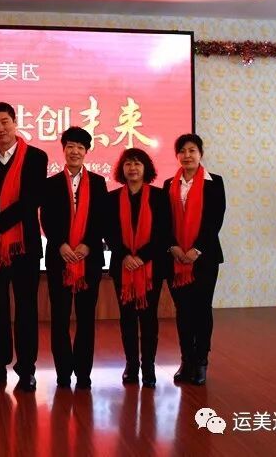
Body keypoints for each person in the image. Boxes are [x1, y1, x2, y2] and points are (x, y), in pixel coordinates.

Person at [0, 102, 48, 392]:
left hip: (24, 246)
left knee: (26, 309)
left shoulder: (36, 157)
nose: (0, 128)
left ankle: (26, 370)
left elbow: (31, 201)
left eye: (5, 122)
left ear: (15, 122)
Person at [40, 127, 108, 390]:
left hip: (89, 260)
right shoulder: (51, 183)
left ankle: (83, 373)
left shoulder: (99, 183)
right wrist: (61, 245)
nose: (75, 151)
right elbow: (46, 218)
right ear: (64, 149)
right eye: (70, 146)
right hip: (60, 259)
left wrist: (89, 245)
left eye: (80, 147)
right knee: (59, 319)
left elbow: (101, 218)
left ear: (86, 151)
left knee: (86, 319)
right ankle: (62, 373)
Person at [105, 148, 171, 388]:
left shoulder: (159, 196)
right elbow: (108, 231)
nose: (132, 168)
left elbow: (164, 232)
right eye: (128, 164)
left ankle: (149, 365)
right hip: (122, 266)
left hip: (151, 266)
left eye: (137, 164)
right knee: (127, 318)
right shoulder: (111, 198)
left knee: (149, 317)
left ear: (146, 169)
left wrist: (142, 257)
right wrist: (125, 255)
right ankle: (131, 365)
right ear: (122, 169)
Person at [163, 133, 226, 386]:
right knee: (183, 311)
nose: (187, 155)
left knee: (202, 309)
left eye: (192, 150)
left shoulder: (215, 182)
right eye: (182, 151)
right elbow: (165, 221)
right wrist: (174, 247)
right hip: (175, 258)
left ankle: (201, 361)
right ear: (177, 155)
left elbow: (215, 220)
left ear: (201, 154)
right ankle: (186, 360)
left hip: (205, 258)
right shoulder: (169, 183)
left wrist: (196, 249)